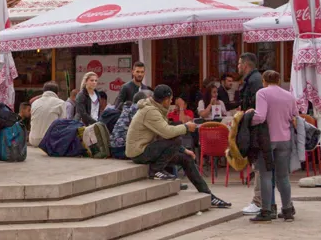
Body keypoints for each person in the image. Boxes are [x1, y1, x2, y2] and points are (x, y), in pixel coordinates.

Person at [125, 84, 231, 209]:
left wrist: (184, 150)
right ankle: (155, 170)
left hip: (149, 149)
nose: (171, 102)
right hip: (139, 153)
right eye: (170, 100)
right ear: (165, 100)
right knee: (177, 138)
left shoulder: (156, 108)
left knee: (186, 158)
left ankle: (208, 194)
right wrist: (186, 127)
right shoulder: (150, 111)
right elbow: (167, 133)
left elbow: (163, 135)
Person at [249, 70, 297, 222]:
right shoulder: (289, 96)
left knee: (266, 175)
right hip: (285, 139)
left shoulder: (262, 93)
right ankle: (287, 210)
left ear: (264, 80)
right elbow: (294, 116)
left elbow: (260, 116)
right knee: (283, 176)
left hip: (267, 140)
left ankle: (266, 211)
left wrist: (248, 116)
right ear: (279, 80)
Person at [236, 53, 265, 215]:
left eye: (239, 64)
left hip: (256, 130)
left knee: (259, 166)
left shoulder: (254, 82)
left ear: (245, 65)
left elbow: (256, 109)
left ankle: (259, 201)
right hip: (255, 129)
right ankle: (263, 200)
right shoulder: (252, 80)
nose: (238, 67)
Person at [110, 89, 151, 159]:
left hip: (114, 148)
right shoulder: (138, 110)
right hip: (122, 149)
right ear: (143, 101)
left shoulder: (128, 108)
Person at [28, 82, 64, 147]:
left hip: (33, 140)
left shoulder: (34, 103)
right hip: (50, 141)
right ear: (57, 93)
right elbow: (63, 124)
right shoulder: (61, 103)